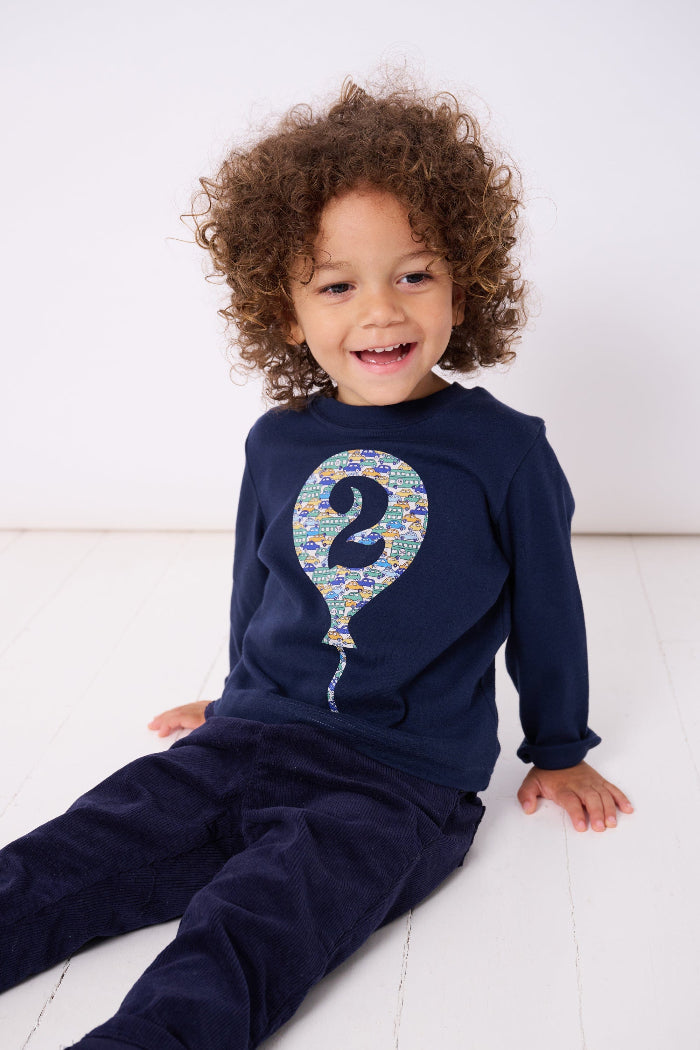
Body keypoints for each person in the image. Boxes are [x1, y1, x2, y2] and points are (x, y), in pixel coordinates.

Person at [0, 76, 633, 1050]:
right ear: (287, 312)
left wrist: (560, 749)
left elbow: (549, 607)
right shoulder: (278, 443)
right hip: (247, 737)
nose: (379, 309)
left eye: (413, 274)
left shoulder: (502, 450)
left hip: (394, 784)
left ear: (465, 281)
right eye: (337, 285)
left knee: (250, 931)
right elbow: (259, 583)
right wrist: (234, 694)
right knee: (65, 858)